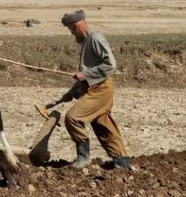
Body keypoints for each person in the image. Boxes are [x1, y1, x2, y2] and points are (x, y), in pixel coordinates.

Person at [36, 9, 131, 170]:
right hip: (93, 88)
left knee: (73, 118)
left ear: (76, 26)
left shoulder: (95, 39)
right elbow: (86, 74)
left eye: (71, 30)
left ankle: (83, 157)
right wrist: (72, 91)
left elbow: (110, 65)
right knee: (103, 124)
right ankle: (121, 161)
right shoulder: (87, 41)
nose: (72, 34)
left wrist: (86, 74)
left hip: (100, 89)